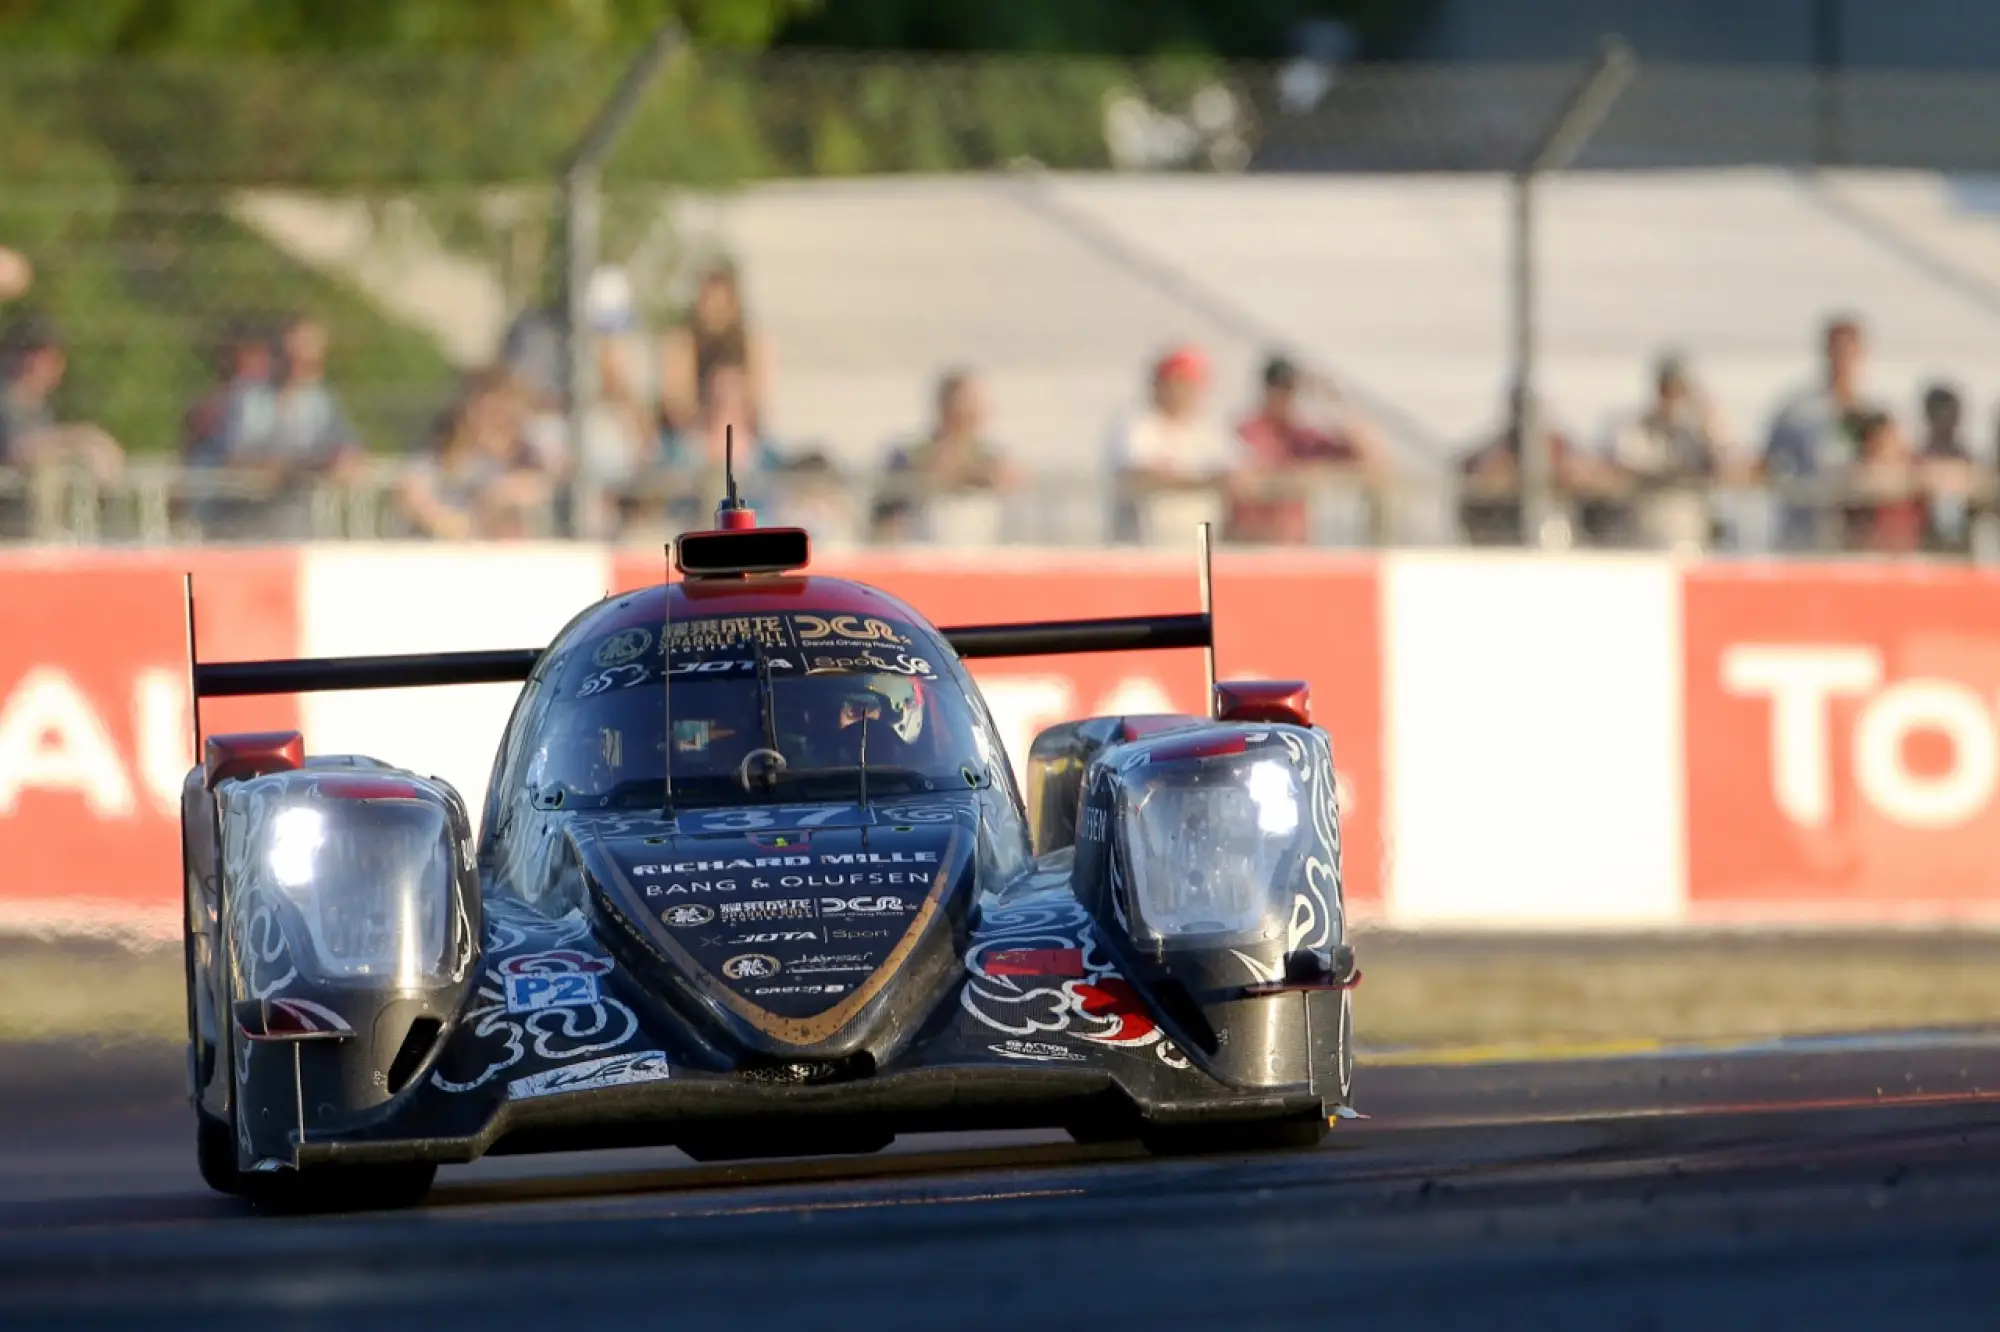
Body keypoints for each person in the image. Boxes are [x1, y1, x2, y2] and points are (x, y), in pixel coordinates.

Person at [1228, 354, 1385, 544]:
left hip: (1293, 545)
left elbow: (1372, 457)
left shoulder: (1300, 436)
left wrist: (1334, 401)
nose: (1284, 398)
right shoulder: (1248, 431)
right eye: (1279, 389)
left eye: (1289, 390)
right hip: (1253, 542)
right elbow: (1244, 481)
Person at [1764, 315, 1882, 551]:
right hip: (1806, 534)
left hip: (1857, 538)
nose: (1843, 361)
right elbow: (1768, 463)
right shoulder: (1798, 412)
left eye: (1849, 353)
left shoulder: (1873, 415)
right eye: (1838, 352)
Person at [397, 368, 558, 539]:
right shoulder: (443, 449)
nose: (489, 420)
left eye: (497, 411)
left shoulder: (524, 453)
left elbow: (544, 485)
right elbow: (411, 489)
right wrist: (454, 524)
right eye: (482, 410)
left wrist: (501, 493)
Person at [1601, 353, 1741, 549]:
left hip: (1693, 526)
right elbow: (1628, 464)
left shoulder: (1699, 431)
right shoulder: (1641, 429)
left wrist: (1705, 415)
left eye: (1680, 391)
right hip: (1651, 523)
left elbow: (1727, 459)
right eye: (1668, 391)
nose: (1674, 399)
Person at [1104, 344, 1238, 544]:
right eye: (1178, 383)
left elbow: (1238, 472)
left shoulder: (1206, 429)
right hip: (1144, 546)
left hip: (1198, 546)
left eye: (1191, 383)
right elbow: (1135, 475)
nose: (1185, 392)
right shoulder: (1137, 424)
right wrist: (1201, 482)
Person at [872, 368, 1019, 543]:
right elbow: (889, 506)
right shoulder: (909, 454)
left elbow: (1009, 479)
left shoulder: (989, 455)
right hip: (923, 552)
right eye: (969, 401)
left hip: (978, 552)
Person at [1457, 378, 1606, 546]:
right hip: (1507, 534)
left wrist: (1561, 478)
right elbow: (1474, 480)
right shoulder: (1496, 452)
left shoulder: (1560, 447)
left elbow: (1593, 477)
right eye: (1524, 406)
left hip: (1562, 531)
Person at [659, 259, 773, 440]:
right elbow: (677, 404)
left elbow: (755, 403)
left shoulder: (748, 341)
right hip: (688, 436)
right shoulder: (683, 341)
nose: (713, 311)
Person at [0, 316, 123, 481]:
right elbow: (16, 450)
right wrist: (79, 441)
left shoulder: (39, 407)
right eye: (38, 358)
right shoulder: (7, 402)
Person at [1842, 410, 1924, 554]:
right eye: (1889, 438)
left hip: (1907, 555)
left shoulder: (1913, 466)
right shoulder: (1860, 476)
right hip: (1872, 557)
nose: (1898, 443)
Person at [1915, 384, 1978, 553]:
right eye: (1942, 412)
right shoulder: (1920, 457)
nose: (1948, 419)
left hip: (1962, 545)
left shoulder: (1966, 456)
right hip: (1928, 544)